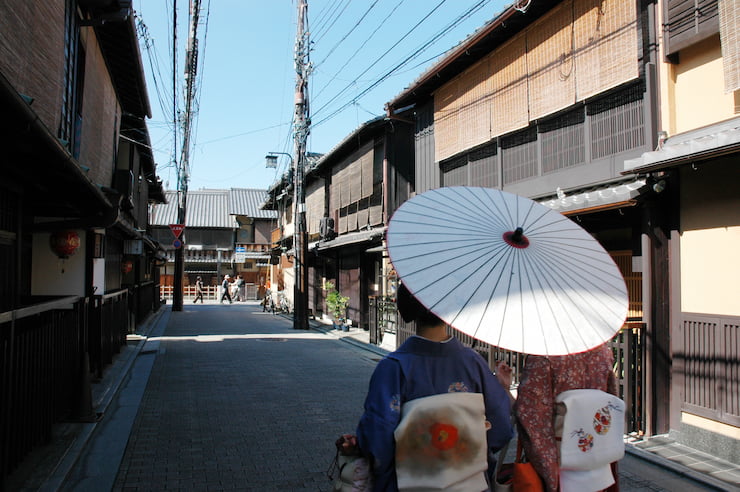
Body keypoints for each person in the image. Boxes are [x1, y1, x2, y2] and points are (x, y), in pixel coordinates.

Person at [340, 283, 513, 491]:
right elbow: (501, 426)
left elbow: (378, 435)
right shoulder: (473, 363)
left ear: (406, 308)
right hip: (469, 482)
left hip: (407, 483)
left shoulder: (393, 368)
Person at [514, 343, 619, 492]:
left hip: (560, 460)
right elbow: (610, 401)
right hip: (596, 454)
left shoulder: (544, 357)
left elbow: (530, 417)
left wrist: (550, 474)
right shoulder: (602, 353)